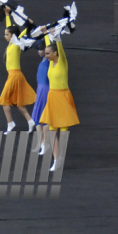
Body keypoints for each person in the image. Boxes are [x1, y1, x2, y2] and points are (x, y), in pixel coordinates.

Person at [38, 27, 78, 171]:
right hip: (52, 97)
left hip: (62, 96)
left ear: (55, 53)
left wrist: (57, 37)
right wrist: (45, 34)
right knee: (51, 130)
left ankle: (60, 157)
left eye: (48, 53)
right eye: (46, 53)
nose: (46, 55)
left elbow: (59, 47)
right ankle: (57, 159)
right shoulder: (50, 62)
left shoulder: (62, 62)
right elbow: (50, 44)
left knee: (63, 130)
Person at [0, 7, 36, 134]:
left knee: (4, 100)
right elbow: (10, 27)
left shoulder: (17, 43)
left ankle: (10, 123)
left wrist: (29, 24)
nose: (5, 36)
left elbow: (22, 32)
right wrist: (7, 14)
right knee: (19, 104)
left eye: (7, 34)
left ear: (13, 35)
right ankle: (30, 121)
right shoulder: (11, 43)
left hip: (15, 75)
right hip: (14, 75)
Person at [30, 40, 49, 155]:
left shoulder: (48, 60)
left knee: (43, 118)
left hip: (45, 90)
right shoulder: (43, 60)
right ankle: (42, 143)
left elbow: (50, 43)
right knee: (37, 118)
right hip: (40, 89)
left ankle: (45, 143)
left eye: (40, 49)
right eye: (38, 49)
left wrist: (46, 31)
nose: (38, 51)